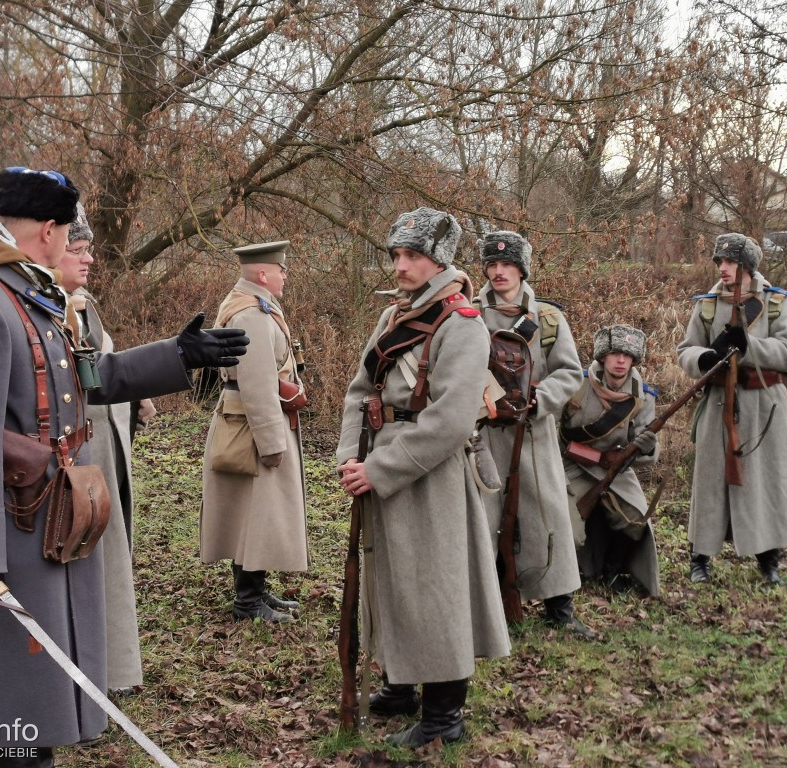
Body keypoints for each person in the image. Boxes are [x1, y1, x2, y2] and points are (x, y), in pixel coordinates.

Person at [0, 166, 249, 768]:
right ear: (49, 229)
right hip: (12, 532)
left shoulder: (31, 294)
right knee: (18, 707)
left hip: (57, 520)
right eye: (69, 231)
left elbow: (88, 378)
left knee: (41, 700)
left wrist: (178, 355)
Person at [337, 207, 511, 747]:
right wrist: (350, 455)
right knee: (392, 581)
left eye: (411, 256)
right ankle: (400, 682)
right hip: (379, 463)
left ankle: (443, 715)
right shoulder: (394, 317)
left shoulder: (462, 323)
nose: (399, 265)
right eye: (395, 255)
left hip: (426, 472)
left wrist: (381, 468)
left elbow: (452, 419)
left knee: (434, 588)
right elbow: (359, 389)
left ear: (438, 261)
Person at [474, 231, 595, 639]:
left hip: (534, 434)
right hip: (484, 435)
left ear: (522, 269)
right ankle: (489, 606)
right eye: (491, 265)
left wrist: (541, 399)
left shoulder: (547, 319)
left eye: (507, 265)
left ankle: (559, 605)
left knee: (548, 516)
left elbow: (569, 371)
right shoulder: (468, 315)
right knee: (485, 519)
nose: (498, 271)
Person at [58, 204, 154, 695]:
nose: (88, 258)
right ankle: (90, 676)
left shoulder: (81, 304)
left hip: (105, 457)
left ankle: (109, 671)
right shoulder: (50, 308)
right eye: (77, 249)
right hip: (75, 466)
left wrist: (136, 399)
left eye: (89, 248)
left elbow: (103, 365)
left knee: (110, 564)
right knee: (88, 566)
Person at [676, 233, 787, 585]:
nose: (723, 268)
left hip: (763, 405)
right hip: (717, 402)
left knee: (766, 483)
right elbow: (686, 349)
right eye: (720, 262)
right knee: (709, 482)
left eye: (730, 262)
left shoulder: (777, 302)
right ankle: (699, 558)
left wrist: (748, 346)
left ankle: (769, 560)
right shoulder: (707, 304)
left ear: (747, 266)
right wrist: (706, 357)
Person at [200, 241, 308, 623]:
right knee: (255, 513)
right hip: (251, 425)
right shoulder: (251, 314)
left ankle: (255, 592)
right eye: (280, 270)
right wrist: (271, 442)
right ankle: (247, 602)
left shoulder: (251, 305)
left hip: (245, 422)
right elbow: (258, 384)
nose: (285, 276)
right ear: (263, 274)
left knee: (253, 512)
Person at [560, 325, 661, 596]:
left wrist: (645, 447)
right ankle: (566, 579)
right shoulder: (576, 383)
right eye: (615, 353)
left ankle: (613, 570)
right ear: (602, 357)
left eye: (627, 356)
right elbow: (552, 430)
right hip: (572, 466)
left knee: (636, 521)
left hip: (616, 469)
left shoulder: (644, 397)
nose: (620, 361)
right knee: (568, 532)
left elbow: (646, 454)